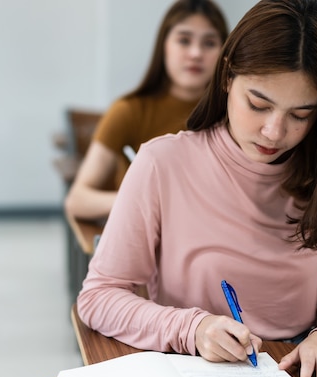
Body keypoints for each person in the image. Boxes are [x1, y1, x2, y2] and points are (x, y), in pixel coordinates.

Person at [78, 0, 317, 377]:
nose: (274, 131)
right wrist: (192, 328)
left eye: (300, 114)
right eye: (258, 104)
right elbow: (99, 296)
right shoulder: (162, 163)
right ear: (228, 74)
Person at [64, 0, 228, 220]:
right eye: (184, 40)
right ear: (164, 46)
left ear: (224, 53)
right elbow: (77, 200)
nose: (196, 53)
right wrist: (140, 199)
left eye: (209, 43)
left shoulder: (233, 114)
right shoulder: (129, 111)